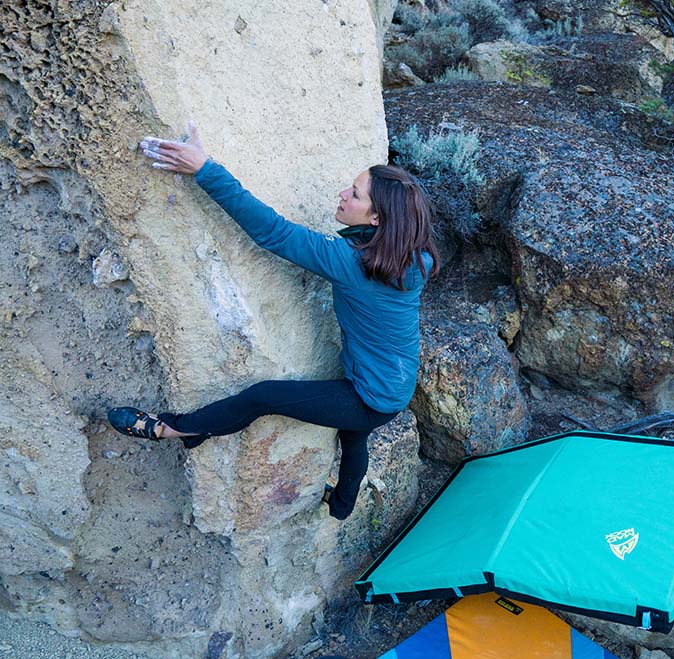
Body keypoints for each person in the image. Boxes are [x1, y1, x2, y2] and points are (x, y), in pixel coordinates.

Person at [108, 123, 439, 520]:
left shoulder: (353, 265)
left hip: (371, 396)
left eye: (354, 194)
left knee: (263, 397)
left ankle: (174, 429)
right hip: (396, 385)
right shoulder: (414, 257)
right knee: (353, 441)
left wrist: (204, 169)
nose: (342, 194)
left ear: (377, 220)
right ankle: (342, 507)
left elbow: (273, 233)